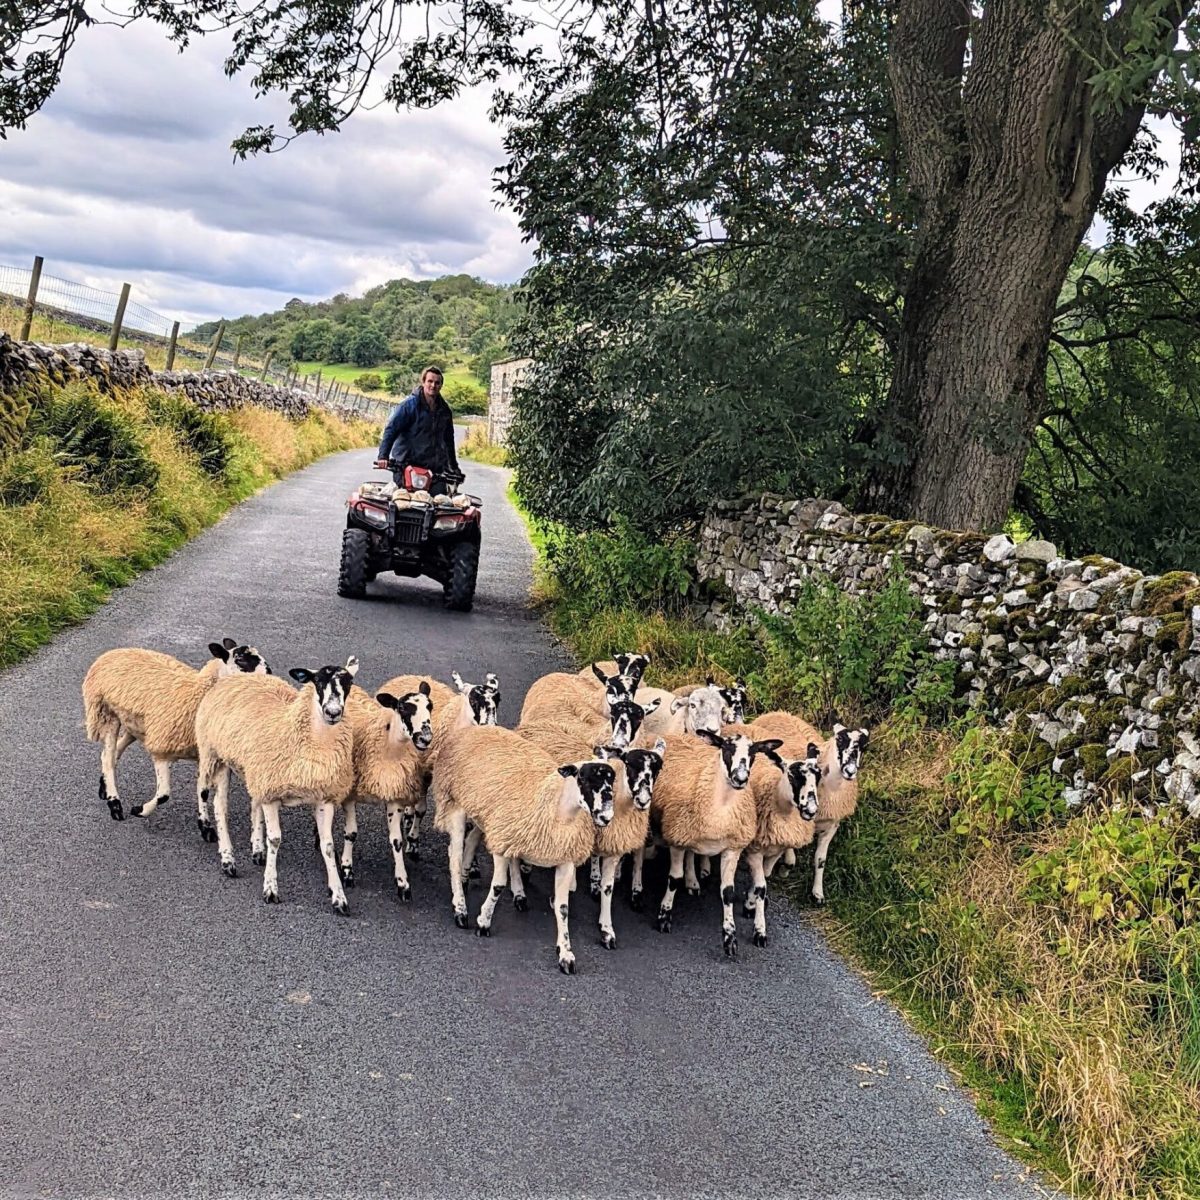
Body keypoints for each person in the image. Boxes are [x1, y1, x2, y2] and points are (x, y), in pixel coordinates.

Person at [374, 365, 462, 491]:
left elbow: (448, 440)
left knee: (438, 504)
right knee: (403, 502)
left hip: (434, 470)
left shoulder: (445, 411)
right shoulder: (408, 406)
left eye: (437, 383)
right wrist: (383, 456)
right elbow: (391, 429)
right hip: (406, 466)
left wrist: (453, 466)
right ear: (423, 382)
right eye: (430, 381)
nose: (433, 385)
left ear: (441, 385)